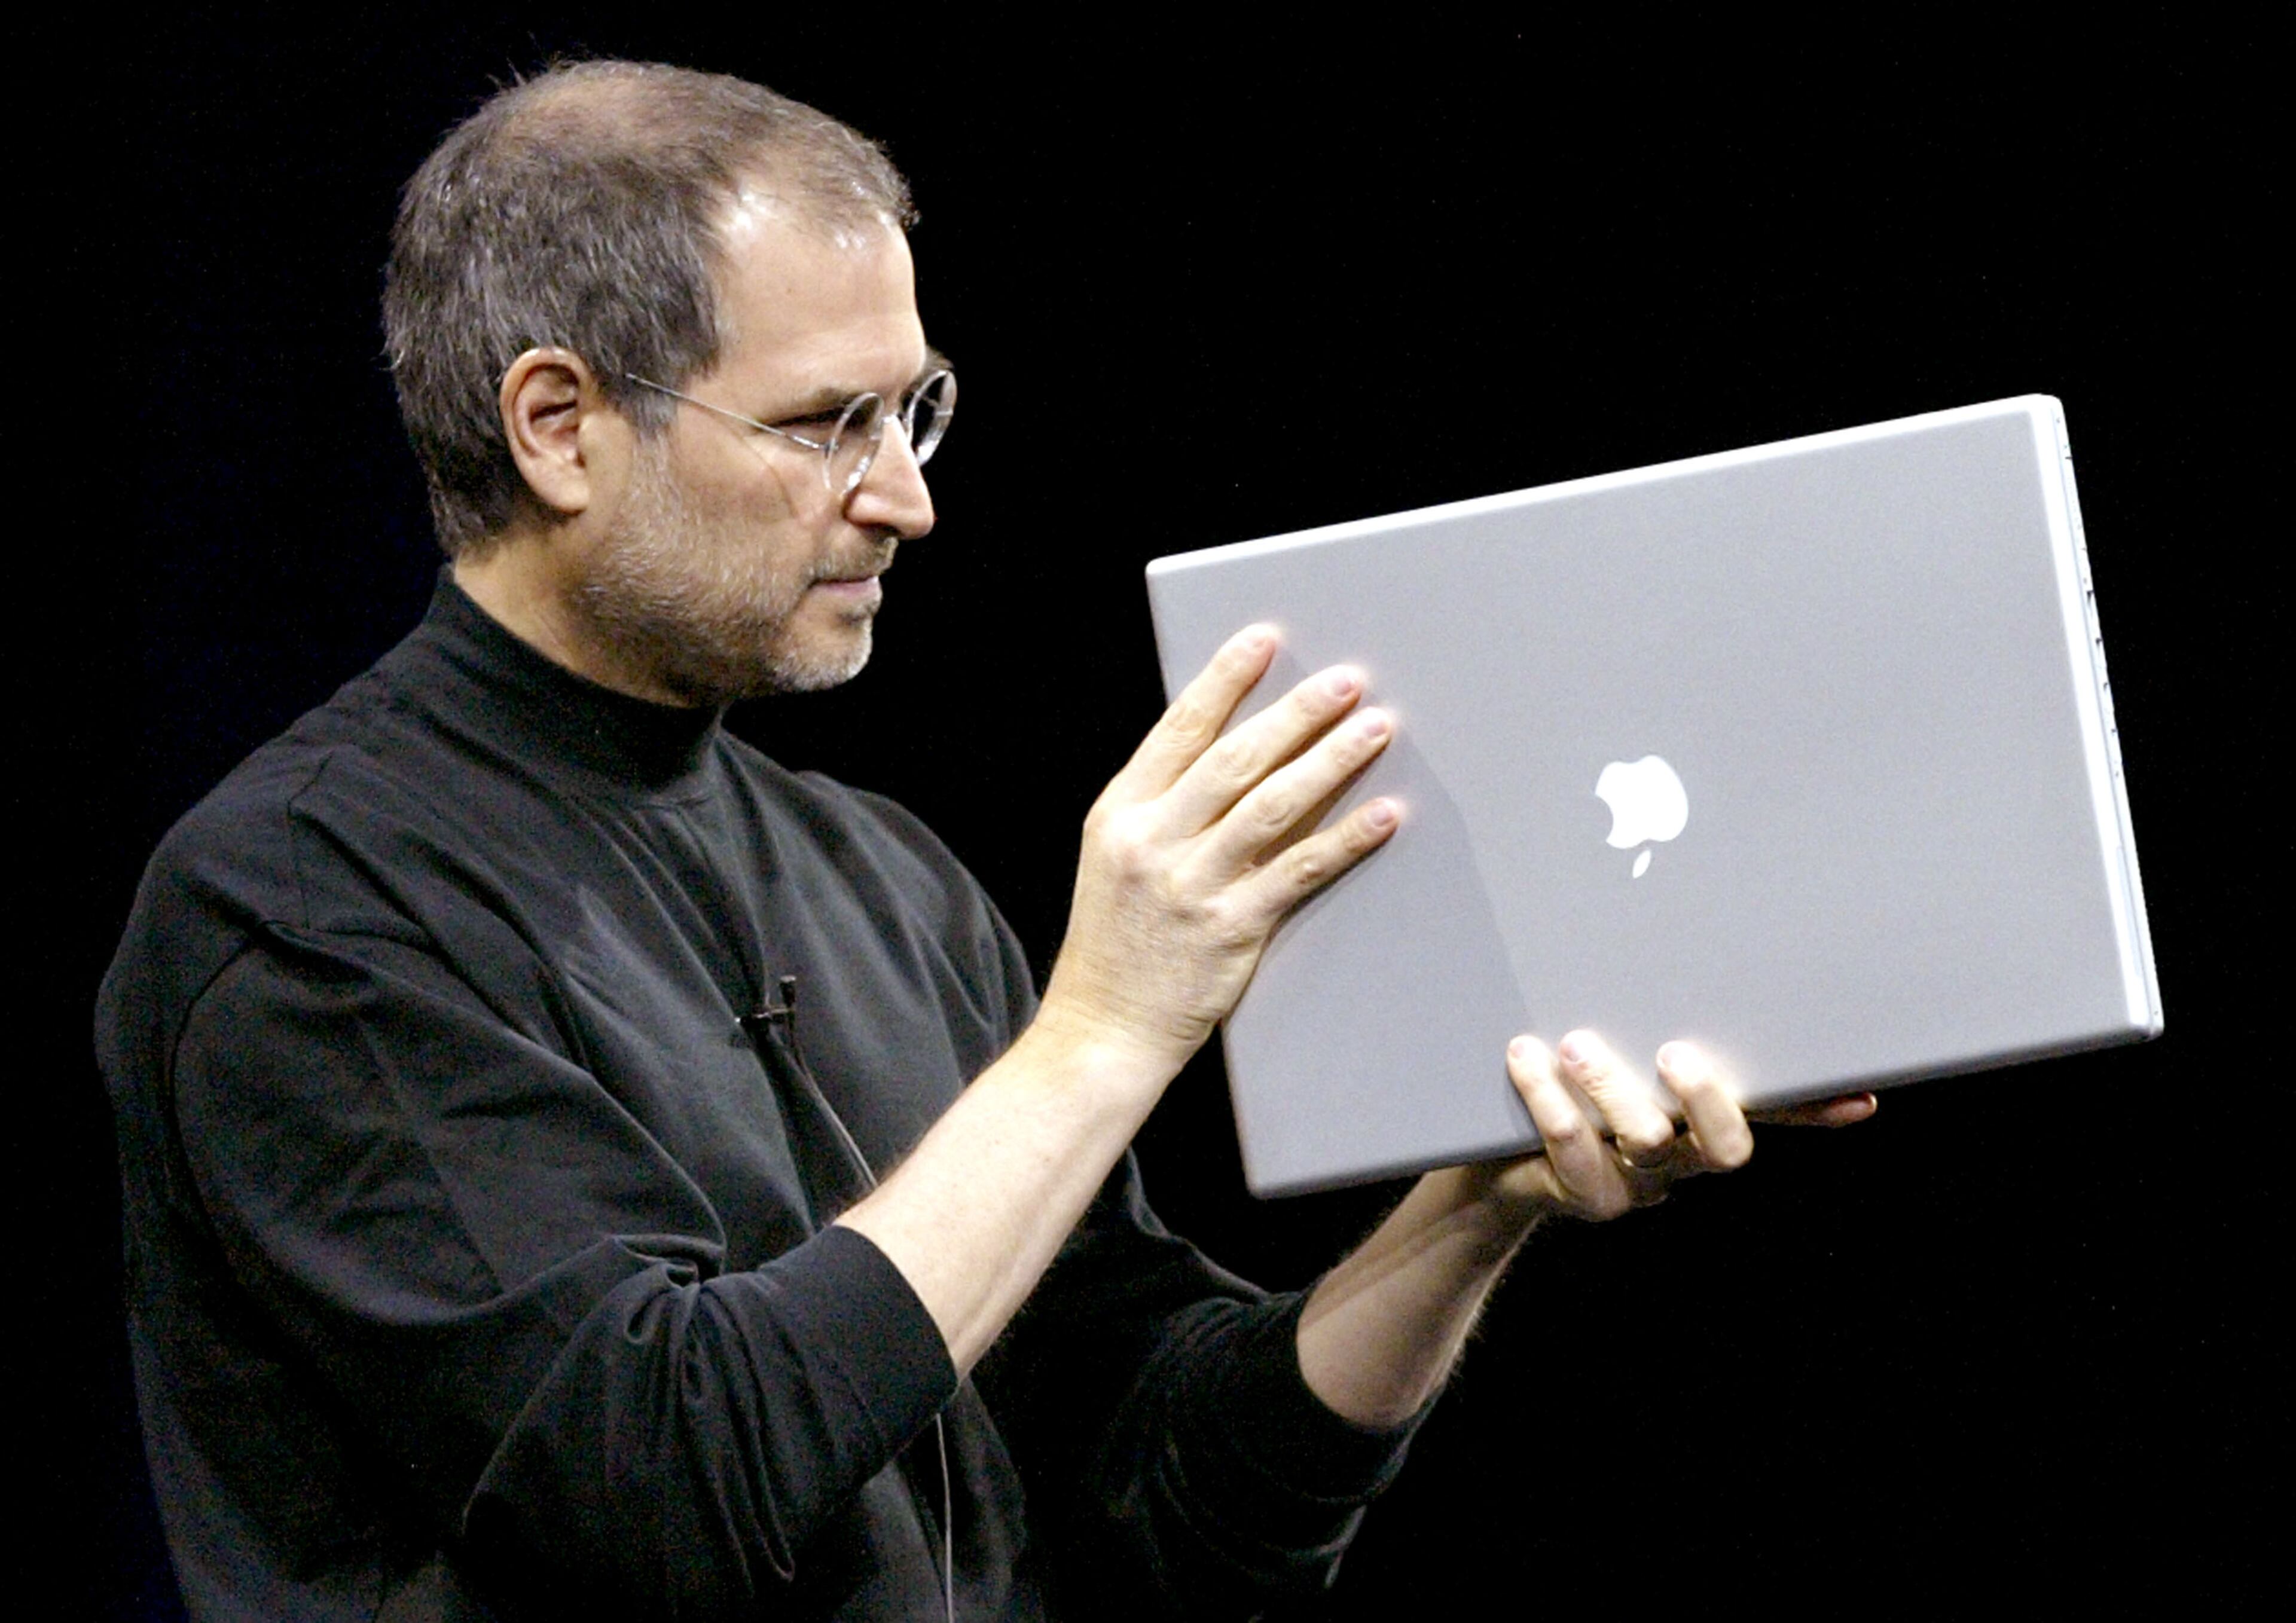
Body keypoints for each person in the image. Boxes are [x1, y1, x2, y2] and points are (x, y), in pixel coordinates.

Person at [97, 60, 1872, 1621]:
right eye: (825, 425)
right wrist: (1107, 1028)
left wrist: (1475, 1204)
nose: (909, 495)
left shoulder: (889, 880)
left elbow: (1168, 1516)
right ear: (558, 426)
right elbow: (664, 1490)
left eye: (916, 407)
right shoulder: (306, 902)